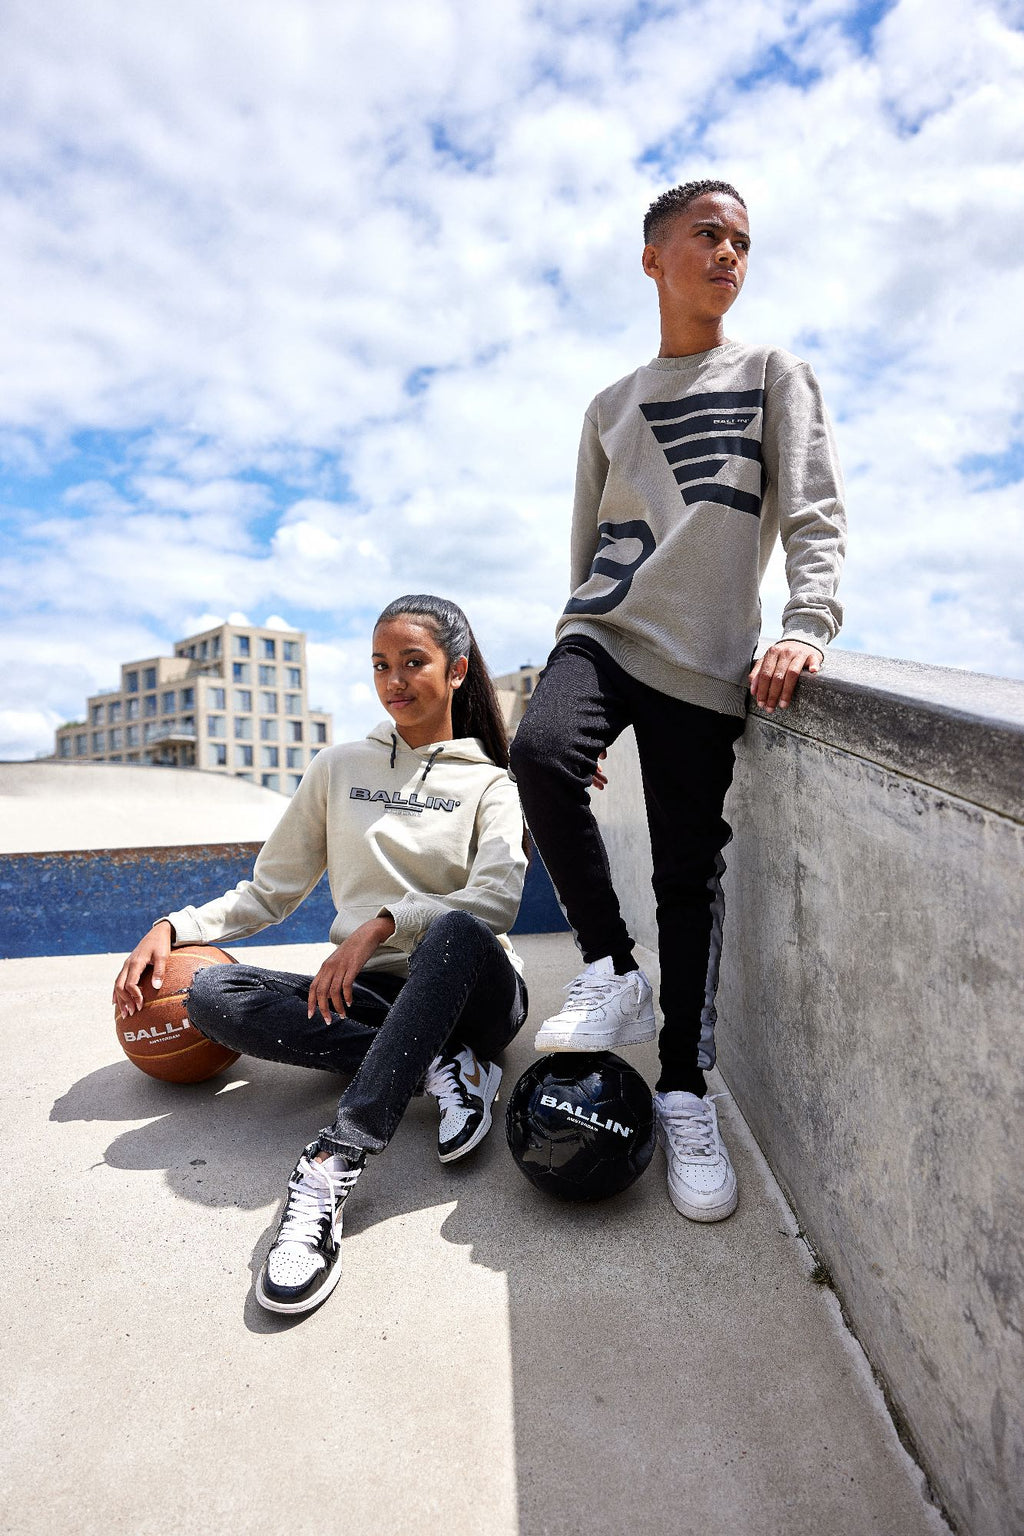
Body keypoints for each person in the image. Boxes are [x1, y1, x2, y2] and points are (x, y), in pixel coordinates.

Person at [509, 179, 846, 1225]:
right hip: (604, 631)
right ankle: (613, 966)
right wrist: (573, 686)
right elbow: (584, 549)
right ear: (653, 257)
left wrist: (806, 624)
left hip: (707, 659)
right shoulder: (609, 406)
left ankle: (685, 1094)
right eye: (708, 234)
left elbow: (814, 511)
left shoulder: (773, 374)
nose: (729, 252)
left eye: (742, 239)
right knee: (539, 754)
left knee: (686, 877)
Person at [113, 595, 528, 1315]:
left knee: (457, 930)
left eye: (413, 662)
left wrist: (382, 924)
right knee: (210, 995)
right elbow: (268, 892)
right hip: (376, 999)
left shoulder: (491, 782)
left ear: (457, 671)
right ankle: (439, 1065)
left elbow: (494, 900)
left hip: (474, 992)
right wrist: (173, 926)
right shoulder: (338, 768)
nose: (394, 680)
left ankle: (334, 1160)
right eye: (380, 665)